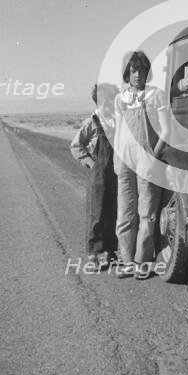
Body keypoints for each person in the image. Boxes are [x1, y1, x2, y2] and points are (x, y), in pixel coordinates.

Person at [114, 51, 169, 279]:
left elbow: (167, 130)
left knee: (147, 213)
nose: (138, 75)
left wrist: (154, 156)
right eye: (134, 70)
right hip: (125, 160)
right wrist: (118, 159)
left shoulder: (156, 95)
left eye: (142, 70)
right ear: (127, 73)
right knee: (125, 213)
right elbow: (118, 131)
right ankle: (127, 261)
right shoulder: (121, 99)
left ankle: (142, 262)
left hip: (147, 160)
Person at [70, 83, 119, 270]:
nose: (107, 104)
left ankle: (110, 250)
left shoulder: (116, 121)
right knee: (96, 214)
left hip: (115, 173)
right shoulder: (91, 122)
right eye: (104, 100)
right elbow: (76, 146)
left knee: (112, 211)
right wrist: (91, 163)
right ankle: (94, 253)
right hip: (97, 174)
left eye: (110, 100)